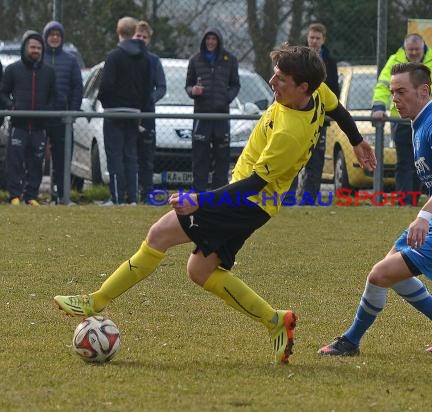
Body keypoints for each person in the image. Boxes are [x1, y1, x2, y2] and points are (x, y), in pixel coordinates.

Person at [54, 44, 377, 364]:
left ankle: (94, 302)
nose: (272, 82)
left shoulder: (289, 135)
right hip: (253, 204)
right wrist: (358, 140)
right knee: (200, 270)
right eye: (274, 74)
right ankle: (275, 320)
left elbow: (254, 184)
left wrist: (199, 200)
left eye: (281, 79)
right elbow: (338, 110)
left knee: (159, 235)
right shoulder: (317, 93)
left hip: (244, 200)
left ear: (302, 86)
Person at [319, 62, 432, 356]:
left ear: (423, 91)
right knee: (392, 272)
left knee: (380, 275)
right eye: (392, 91)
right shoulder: (420, 122)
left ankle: (350, 342)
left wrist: (424, 215)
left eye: (401, 92)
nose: (395, 98)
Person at [372, 33, 432, 206]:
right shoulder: (395, 60)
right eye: (409, 50)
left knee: (425, 163)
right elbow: (383, 86)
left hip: (429, 119)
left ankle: (423, 199)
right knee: (404, 162)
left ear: (423, 47)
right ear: (405, 48)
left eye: (416, 50)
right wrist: (379, 106)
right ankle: (405, 200)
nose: (412, 53)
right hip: (402, 121)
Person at [98, 17, 151, 205]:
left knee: (115, 156)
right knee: (130, 155)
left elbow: (106, 85)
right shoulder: (144, 58)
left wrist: (104, 102)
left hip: (113, 111)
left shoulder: (114, 56)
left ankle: (117, 197)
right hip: (134, 111)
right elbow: (147, 87)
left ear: (119, 32)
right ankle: (133, 198)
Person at [0, 30, 56, 206]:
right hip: (19, 125)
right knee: (15, 162)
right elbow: (2, 93)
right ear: (25, 47)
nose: (35, 50)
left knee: (35, 163)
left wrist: (47, 110)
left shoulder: (49, 72)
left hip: (39, 126)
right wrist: (11, 107)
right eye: (32, 47)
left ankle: (31, 196)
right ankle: (14, 195)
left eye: (39, 48)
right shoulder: (12, 70)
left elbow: (54, 97)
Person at [185, 28, 240, 192]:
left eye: (213, 39)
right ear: (204, 41)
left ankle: (219, 194)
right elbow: (188, 85)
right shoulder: (195, 60)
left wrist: (226, 98)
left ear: (218, 41)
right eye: (208, 39)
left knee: (222, 158)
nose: (210, 42)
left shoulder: (230, 60)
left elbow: (235, 85)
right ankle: (198, 194)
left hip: (221, 116)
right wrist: (192, 91)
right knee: (200, 157)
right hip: (201, 115)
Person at [293, 22, 340, 203]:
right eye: (311, 37)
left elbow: (334, 89)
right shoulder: (297, 58)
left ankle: (309, 199)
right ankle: (289, 197)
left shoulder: (330, 62)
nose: (314, 41)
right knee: (294, 158)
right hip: (298, 116)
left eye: (317, 38)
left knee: (316, 160)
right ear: (307, 38)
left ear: (323, 40)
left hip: (320, 117)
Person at [42, 20, 84, 205]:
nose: (54, 38)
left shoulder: (70, 60)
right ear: (46, 37)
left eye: (58, 35)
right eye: (51, 34)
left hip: (62, 118)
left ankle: (61, 195)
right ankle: (29, 196)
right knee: (34, 158)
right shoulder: (38, 58)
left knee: (62, 160)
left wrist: (72, 112)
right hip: (40, 118)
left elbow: (77, 87)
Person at [133, 20, 167, 203]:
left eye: (144, 37)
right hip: (128, 113)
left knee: (146, 158)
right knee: (128, 156)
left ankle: (146, 194)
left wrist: (149, 100)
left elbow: (161, 87)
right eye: (138, 35)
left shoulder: (154, 61)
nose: (141, 39)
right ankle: (127, 194)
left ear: (149, 40)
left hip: (147, 117)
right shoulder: (126, 57)